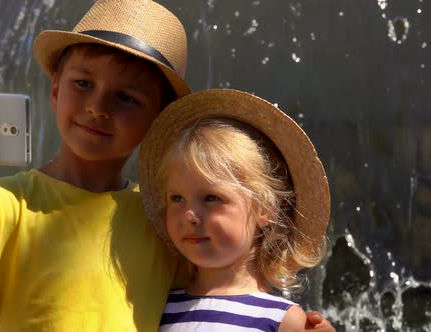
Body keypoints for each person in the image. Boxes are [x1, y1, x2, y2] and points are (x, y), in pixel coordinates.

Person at [0, 0, 333, 330]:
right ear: (55, 91)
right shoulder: (3, 205)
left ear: (157, 118)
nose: (97, 107)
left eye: (127, 97)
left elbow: (220, 293)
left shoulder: (163, 217)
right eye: (83, 83)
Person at [138, 89, 333, 331]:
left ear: (266, 208)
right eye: (177, 198)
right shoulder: (157, 308)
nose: (189, 215)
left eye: (211, 198)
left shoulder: (282, 320)